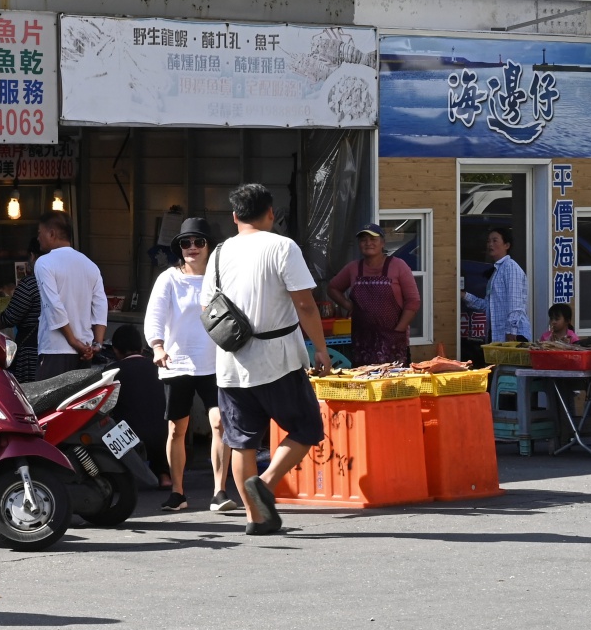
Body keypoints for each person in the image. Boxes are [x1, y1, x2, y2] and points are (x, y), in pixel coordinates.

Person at [202, 183, 332, 537]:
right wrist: (320, 348)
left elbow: (206, 307)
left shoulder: (218, 253)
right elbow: (305, 303)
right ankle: (267, 482)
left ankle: (256, 518)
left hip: (230, 363)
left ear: (234, 216)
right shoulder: (282, 246)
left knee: (242, 440)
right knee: (306, 427)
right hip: (278, 360)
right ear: (271, 213)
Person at [145, 217, 233, 512]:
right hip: (178, 362)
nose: (192, 247)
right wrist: (157, 346)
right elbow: (154, 315)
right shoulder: (169, 279)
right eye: (186, 243)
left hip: (216, 361)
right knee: (176, 429)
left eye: (198, 242)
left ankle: (220, 492)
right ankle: (178, 492)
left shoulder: (221, 278)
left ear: (209, 246)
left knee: (219, 423)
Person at [327, 223, 422, 367]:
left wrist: (399, 330)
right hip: (362, 340)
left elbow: (413, 301)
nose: (368, 243)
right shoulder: (353, 268)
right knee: (364, 382)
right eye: (363, 240)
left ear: (382, 243)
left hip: (393, 338)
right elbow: (333, 288)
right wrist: (348, 305)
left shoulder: (398, 266)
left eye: (373, 239)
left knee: (393, 384)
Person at [33, 211, 108, 380]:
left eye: (40, 233)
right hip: (85, 352)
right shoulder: (90, 265)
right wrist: (97, 343)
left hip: (55, 349)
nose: (38, 238)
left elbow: (54, 306)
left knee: (48, 405)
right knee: (78, 405)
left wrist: (74, 342)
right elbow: (101, 306)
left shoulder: (44, 263)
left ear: (51, 233)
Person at [108, 326, 169, 489]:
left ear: (115, 350)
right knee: (159, 421)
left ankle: (122, 477)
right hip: (164, 435)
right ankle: (164, 475)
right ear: (142, 348)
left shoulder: (111, 373)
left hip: (131, 437)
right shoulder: (159, 368)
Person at [462, 227, 529, 363]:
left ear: (507, 245)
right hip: (498, 335)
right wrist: (464, 295)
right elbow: (488, 305)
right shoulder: (496, 271)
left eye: (495, 240)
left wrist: (511, 333)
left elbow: (515, 303)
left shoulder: (510, 267)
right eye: (488, 241)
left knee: (510, 376)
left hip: (513, 335)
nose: (490, 244)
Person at [0, 238, 44, 384]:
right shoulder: (61, 281)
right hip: (53, 349)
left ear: (32, 256)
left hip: (30, 351)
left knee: (29, 396)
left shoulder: (30, 283)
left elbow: (10, 317)